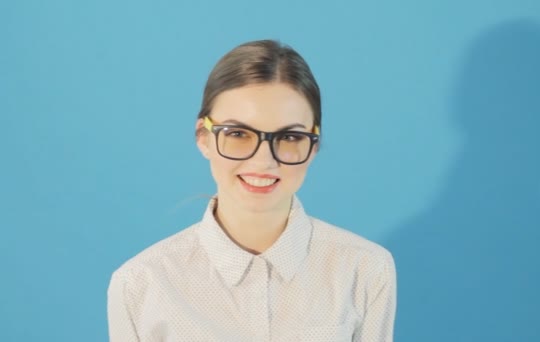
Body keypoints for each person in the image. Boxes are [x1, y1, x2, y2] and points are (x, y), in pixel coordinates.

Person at [107, 39, 396, 341]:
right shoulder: (141, 283)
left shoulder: (365, 270)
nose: (263, 160)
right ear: (203, 137)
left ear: (314, 146)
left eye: (290, 136)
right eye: (238, 134)